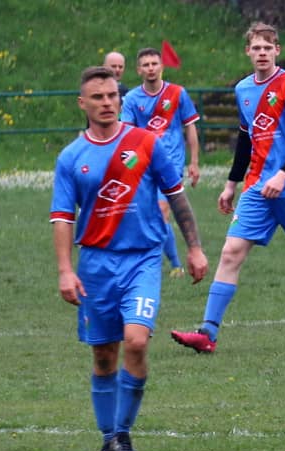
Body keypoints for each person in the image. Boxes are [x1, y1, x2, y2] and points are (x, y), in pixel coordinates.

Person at [51, 66, 209, 451]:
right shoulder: (70, 158)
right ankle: (108, 440)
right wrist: (65, 270)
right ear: (82, 103)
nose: (107, 103)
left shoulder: (145, 142)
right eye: (98, 97)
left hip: (143, 258)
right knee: (104, 355)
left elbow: (177, 196)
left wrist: (194, 248)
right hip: (96, 264)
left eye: (112, 96)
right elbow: (62, 218)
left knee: (136, 342)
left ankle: (122, 434)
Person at [171, 22, 285, 354]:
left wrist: (282, 175)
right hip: (256, 187)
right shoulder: (243, 89)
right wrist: (231, 184)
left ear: (277, 50)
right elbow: (245, 140)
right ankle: (208, 333)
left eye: (268, 48)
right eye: (256, 48)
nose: (262, 53)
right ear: (248, 52)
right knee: (231, 251)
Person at [122, 47, 201, 279]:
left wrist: (194, 162)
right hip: (143, 165)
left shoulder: (177, 93)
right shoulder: (131, 99)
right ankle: (167, 263)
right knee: (150, 215)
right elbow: (126, 134)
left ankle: (167, 265)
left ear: (161, 67)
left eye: (154, 64)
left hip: (171, 163)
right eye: (146, 65)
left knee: (162, 209)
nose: (151, 68)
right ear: (139, 70)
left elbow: (190, 126)